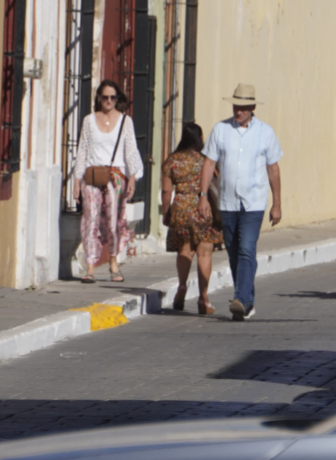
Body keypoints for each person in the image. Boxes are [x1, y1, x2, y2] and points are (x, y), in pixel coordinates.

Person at [198, 83, 282, 321]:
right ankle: (247, 300)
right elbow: (209, 164)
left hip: (254, 203)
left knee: (247, 249)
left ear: (252, 107)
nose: (239, 111)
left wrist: (277, 203)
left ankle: (241, 299)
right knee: (234, 253)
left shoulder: (265, 132)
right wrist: (202, 196)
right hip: (227, 202)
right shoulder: (221, 130)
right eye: (236, 106)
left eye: (244, 107)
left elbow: (273, 169)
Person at [70, 80, 143, 283]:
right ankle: (90, 267)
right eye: (105, 97)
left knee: (113, 221)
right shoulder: (89, 121)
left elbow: (131, 150)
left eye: (112, 97)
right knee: (90, 219)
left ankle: (113, 262)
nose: (109, 101)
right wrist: (77, 179)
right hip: (92, 175)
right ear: (99, 99)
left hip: (115, 176)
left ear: (117, 98)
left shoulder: (125, 121)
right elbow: (82, 150)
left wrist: (133, 178)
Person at [161, 123, 222, 314]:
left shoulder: (172, 160)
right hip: (203, 209)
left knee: (185, 251)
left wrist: (166, 212)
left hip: (181, 208)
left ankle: (181, 286)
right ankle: (203, 297)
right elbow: (217, 180)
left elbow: (166, 190)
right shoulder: (206, 159)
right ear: (200, 138)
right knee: (204, 254)